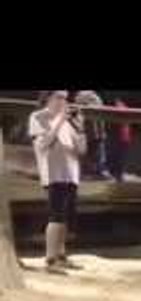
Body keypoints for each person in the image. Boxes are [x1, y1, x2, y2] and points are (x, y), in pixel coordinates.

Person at [28, 91, 87, 272]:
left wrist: (80, 128)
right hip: (54, 174)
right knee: (56, 216)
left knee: (65, 217)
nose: (64, 101)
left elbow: (81, 150)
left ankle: (61, 255)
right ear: (49, 98)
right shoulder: (39, 116)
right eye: (59, 97)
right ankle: (50, 259)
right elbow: (43, 143)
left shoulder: (69, 122)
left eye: (65, 97)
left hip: (71, 174)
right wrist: (60, 120)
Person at [74, 90, 108, 179]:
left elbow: (100, 112)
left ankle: (98, 172)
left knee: (97, 152)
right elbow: (82, 111)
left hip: (96, 131)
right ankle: (89, 172)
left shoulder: (94, 96)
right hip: (89, 132)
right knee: (88, 153)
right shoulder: (83, 95)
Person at [105, 96, 133, 182]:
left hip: (123, 138)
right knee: (118, 158)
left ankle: (119, 175)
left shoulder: (124, 110)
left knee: (121, 158)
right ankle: (117, 175)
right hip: (119, 138)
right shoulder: (116, 111)